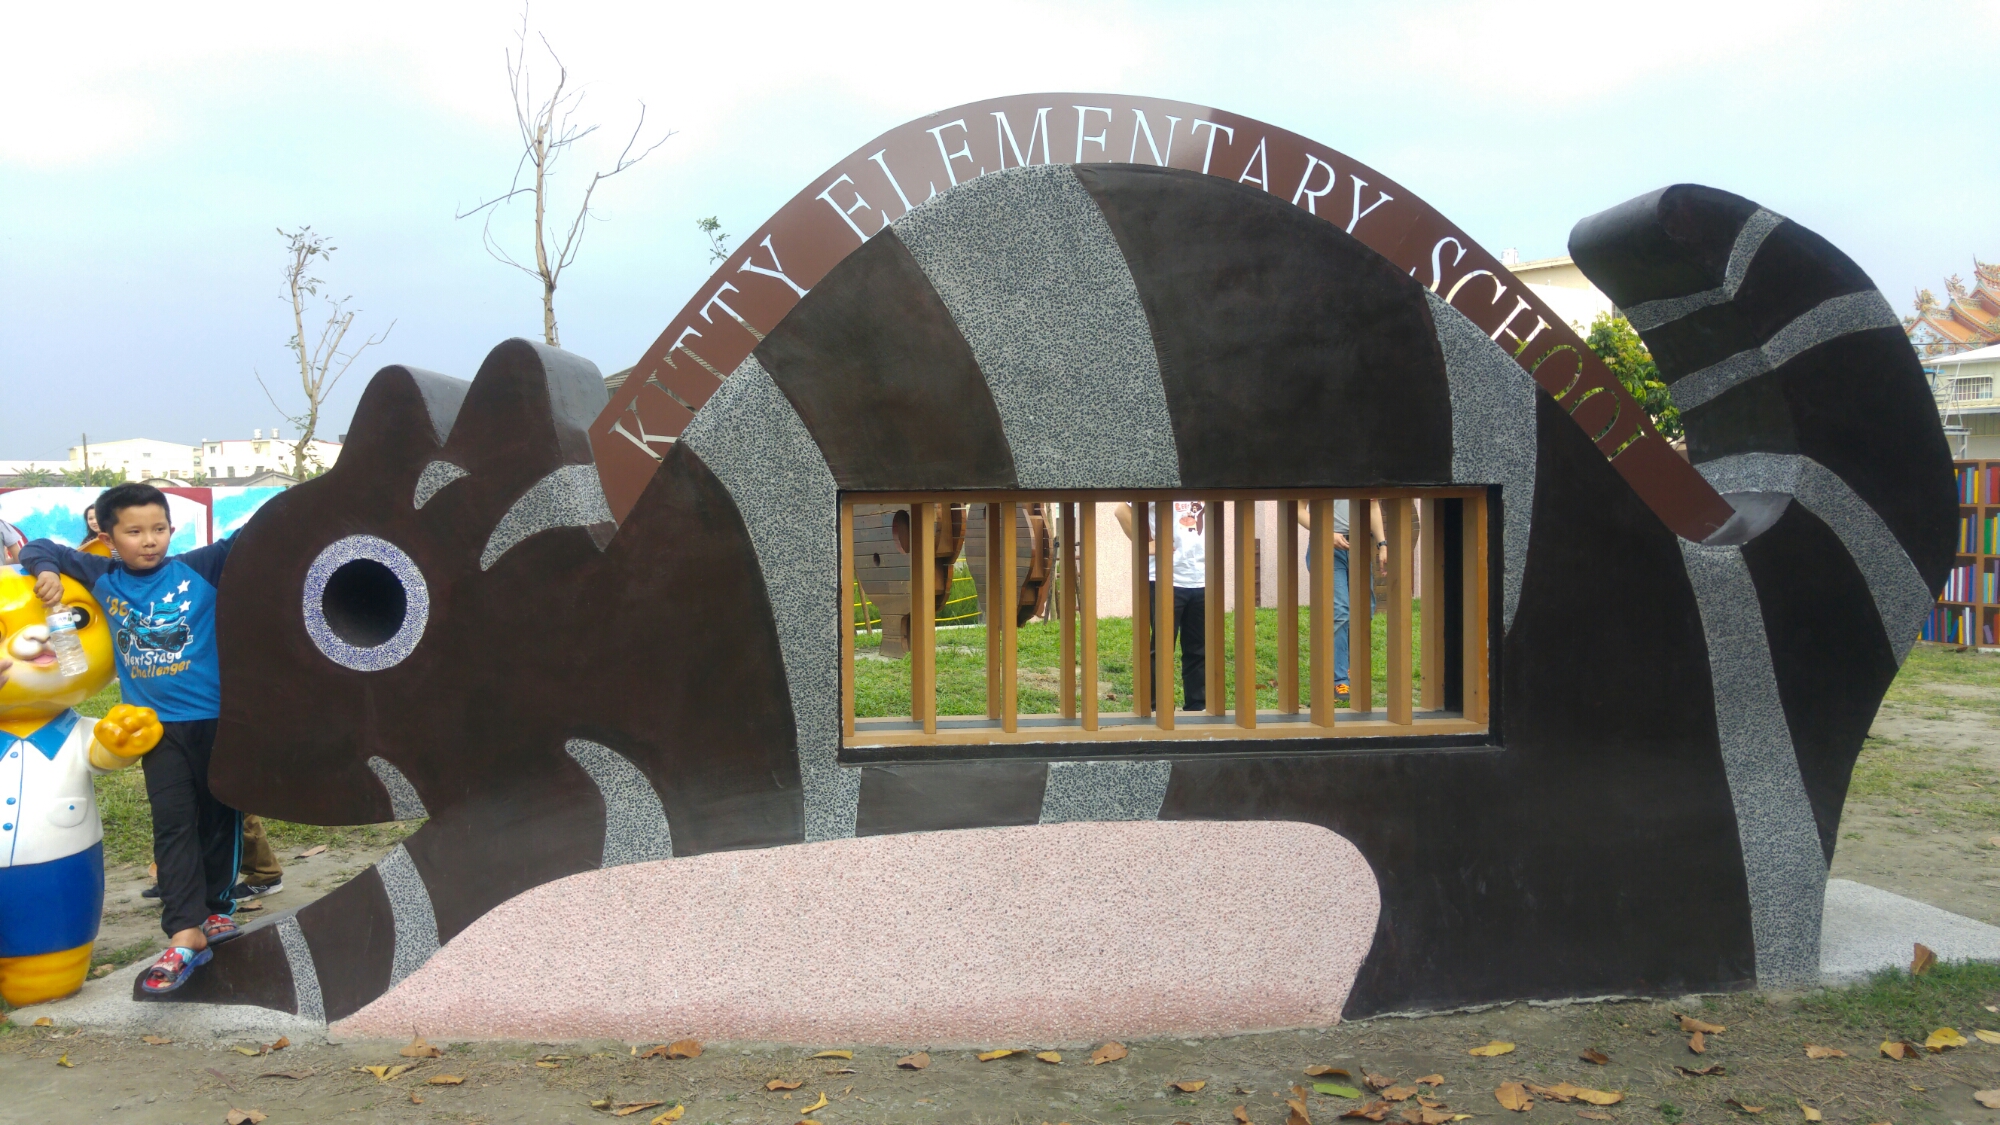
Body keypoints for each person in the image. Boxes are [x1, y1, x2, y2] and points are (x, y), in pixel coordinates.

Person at [20, 483, 241, 994]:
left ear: (171, 529)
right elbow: (41, 547)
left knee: (219, 819)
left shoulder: (201, 566)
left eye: (159, 529)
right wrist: (46, 570)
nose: (149, 541)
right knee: (172, 825)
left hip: (216, 722)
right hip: (155, 729)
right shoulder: (103, 577)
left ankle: (216, 909)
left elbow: (256, 535)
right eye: (135, 531)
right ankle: (184, 929)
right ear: (108, 537)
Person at [1115, 500, 1206, 712]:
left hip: (1201, 576)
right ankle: (1158, 709)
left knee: (1199, 648)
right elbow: (1121, 510)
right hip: (1165, 576)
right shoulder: (1162, 481)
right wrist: (1145, 544)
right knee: (1163, 647)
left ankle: (1198, 707)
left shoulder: (1205, 484)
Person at [1299, 500, 1386, 703]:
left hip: (1358, 543)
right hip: (1326, 544)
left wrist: (1382, 544)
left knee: (1365, 609)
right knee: (1339, 611)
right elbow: (1298, 509)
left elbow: (1372, 505)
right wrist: (1326, 532)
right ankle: (1339, 679)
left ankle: (1348, 667)